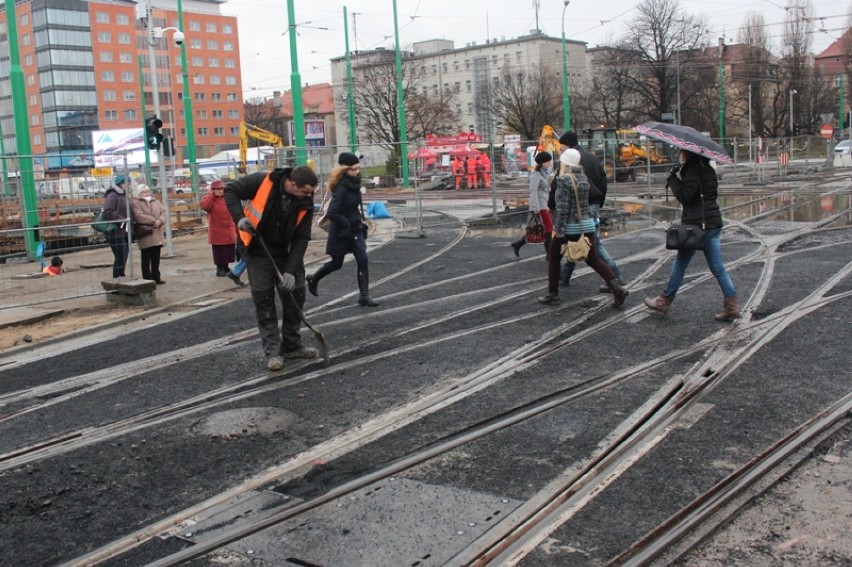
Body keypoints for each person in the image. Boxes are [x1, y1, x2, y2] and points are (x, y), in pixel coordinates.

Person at [225, 165, 320, 371]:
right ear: (293, 184)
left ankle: (292, 346)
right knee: (264, 299)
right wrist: (239, 218)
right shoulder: (262, 182)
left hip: (285, 252)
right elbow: (231, 190)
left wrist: (290, 271)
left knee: (296, 296)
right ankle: (273, 352)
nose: (308, 196)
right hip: (257, 249)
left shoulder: (305, 202)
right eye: (305, 191)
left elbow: (301, 239)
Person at [644, 150, 740, 321]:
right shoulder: (707, 168)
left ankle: (664, 301)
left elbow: (687, 196)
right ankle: (731, 305)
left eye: (683, 152)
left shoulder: (693, 169)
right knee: (717, 267)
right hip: (711, 222)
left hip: (697, 225)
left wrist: (673, 180)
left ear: (688, 153)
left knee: (680, 264)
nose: (681, 154)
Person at [539, 149, 629, 307]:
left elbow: (563, 209)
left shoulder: (563, 180)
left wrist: (558, 230)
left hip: (569, 227)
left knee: (554, 258)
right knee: (594, 259)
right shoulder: (583, 178)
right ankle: (617, 288)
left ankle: (553, 294)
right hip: (586, 225)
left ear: (564, 163)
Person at [307, 152, 378, 307]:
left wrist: (360, 220)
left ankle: (364, 295)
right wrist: (346, 222)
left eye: (358, 168)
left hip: (355, 229)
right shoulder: (341, 188)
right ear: (344, 170)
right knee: (336, 263)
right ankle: (314, 277)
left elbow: (354, 208)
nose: (357, 172)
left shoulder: (354, 184)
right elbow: (332, 212)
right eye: (353, 169)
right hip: (341, 231)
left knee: (362, 258)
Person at [558, 130, 626, 292]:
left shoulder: (573, 160)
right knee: (580, 241)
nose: (560, 151)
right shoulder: (592, 157)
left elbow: (564, 188)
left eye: (561, 147)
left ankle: (616, 277)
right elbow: (603, 180)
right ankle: (565, 275)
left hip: (580, 207)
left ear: (567, 145)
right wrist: (599, 202)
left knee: (592, 245)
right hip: (593, 203)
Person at [511, 151, 553, 257]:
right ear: (542, 163)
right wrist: (536, 208)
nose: (550, 164)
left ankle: (519, 243)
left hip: (544, 204)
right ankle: (549, 252)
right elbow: (533, 191)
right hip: (539, 206)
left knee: (538, 228)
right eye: (548, 162)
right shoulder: (536, 175)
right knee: (548, 227)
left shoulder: (544, 173)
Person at [200, 178, 238, 277]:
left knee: (228, 250)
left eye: (222, 189)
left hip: (228, 228)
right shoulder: (209, 198)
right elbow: (205, 206)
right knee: (219, 250)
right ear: (213, 190)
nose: (220, 191)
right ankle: (220, 268)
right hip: (217, 229)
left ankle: (226, 267)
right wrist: (212, 196)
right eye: (218, 189)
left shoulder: (227, 197)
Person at [130, 184, 166, 284]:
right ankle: (147, 279)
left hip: (157, 232)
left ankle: (156, 278)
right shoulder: (136, 203)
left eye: (147, 191)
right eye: (144, 192)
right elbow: (138, 216)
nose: (147, 193)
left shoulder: (156, 202)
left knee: (156, 258)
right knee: (146, 258)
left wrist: (160, 221)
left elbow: (163, 213)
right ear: (140, 193)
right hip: (146, 233)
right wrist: (154, 221)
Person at [103, 175, 130, 278]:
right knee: (121, 256)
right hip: (115, 232)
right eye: (127, 183)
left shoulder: (123, 195)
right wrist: (122, 220)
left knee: (123, 255)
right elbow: (108, 211)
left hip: (123, 231)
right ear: (121, 184)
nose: (129, 185)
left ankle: (120, 276)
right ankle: (117, 278)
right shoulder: (113, 196)